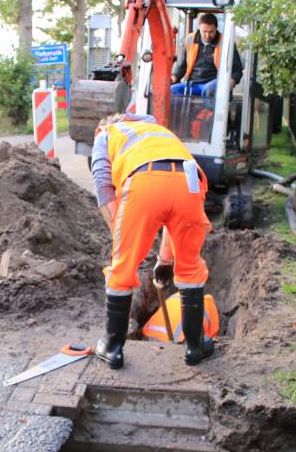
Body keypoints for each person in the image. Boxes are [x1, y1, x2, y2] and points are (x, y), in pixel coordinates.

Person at [90, 113, 214, 369]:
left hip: (144, 180)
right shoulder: (156, 130)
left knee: (122, 267)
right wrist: (165, 260)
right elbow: (172, 207)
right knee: (190, 267)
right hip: (190, 180)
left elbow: (104, 188)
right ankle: (194, 347)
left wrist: (122, 237)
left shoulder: (106, 134)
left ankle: (113, 348)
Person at [171, 13, 243, 97]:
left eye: (211, 32)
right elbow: (181, 65)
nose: (207, 35)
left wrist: (232, 81)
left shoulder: (226, 43)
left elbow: (237, 69)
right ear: (199, 28)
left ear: (216, 29)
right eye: (204, 31)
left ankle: (208, 110)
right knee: (171, 91)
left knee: (209, 90)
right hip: (192, 83)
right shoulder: (189, 40)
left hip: (214, 82)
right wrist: (174, 77)